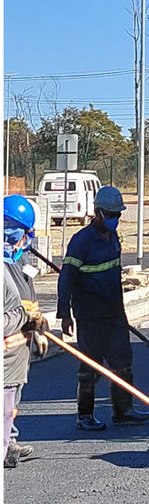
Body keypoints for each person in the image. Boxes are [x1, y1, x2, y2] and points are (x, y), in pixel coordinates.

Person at [57, 186, 149, 431]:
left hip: (114, 313)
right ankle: (84, 416)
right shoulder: (81, 241)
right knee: (90, 365)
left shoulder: (113, 239)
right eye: (110, 215)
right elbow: (66, 277)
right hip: (90, 316)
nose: (114, 220)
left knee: (123, 362)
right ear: (97, 212)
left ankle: (123, 411)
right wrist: (64, 313)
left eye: (117, 215)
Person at [3, 195, 47, 468]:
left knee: (13, 398)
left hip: (22, 342)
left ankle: (10, 440)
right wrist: (25, 317)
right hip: (8, 343)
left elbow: (29, 296)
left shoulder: (22, 260)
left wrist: (39, 327)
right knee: (6, 400)